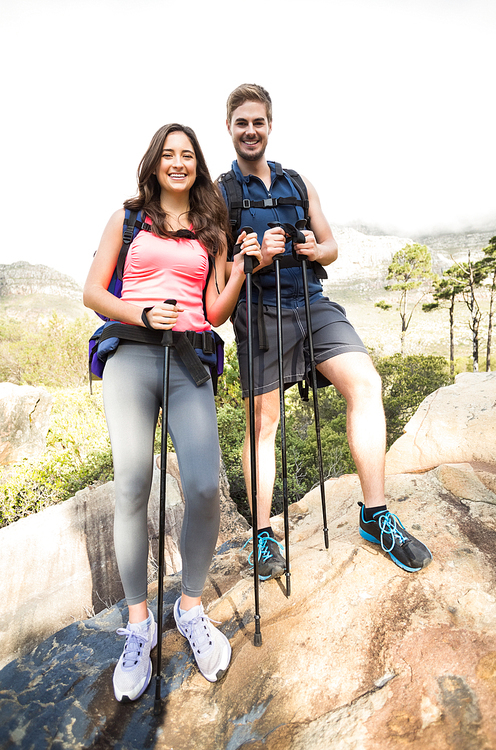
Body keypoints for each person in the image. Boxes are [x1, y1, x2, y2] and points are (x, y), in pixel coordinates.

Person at [219, 83, 433, 580]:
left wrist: (315, 250)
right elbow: (215, 272)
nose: (251, 131)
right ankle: (261, 536)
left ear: (270, 125)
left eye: (259, 122)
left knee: (365, 383)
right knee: (263, 423)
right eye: (241, 123)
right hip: (258, 308)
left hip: (308, 302)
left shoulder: (298, 183)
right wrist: (253, 258)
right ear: (229, 128)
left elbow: (331, 245)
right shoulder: (219, 193)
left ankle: (376, 516)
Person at [83, 123, 261, 702]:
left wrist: (236, 271)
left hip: (188, 361)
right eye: (169, 154)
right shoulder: (128, 219)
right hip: (131, 357)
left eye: (187, 155)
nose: (178, 163)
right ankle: (138, 625)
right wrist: (139, 314)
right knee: (132, 483)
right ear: (155, 163)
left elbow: (211, 311)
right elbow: (93, 293)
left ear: (197, 165)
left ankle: (188, 607)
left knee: (206, 487)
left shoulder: (211, 231)